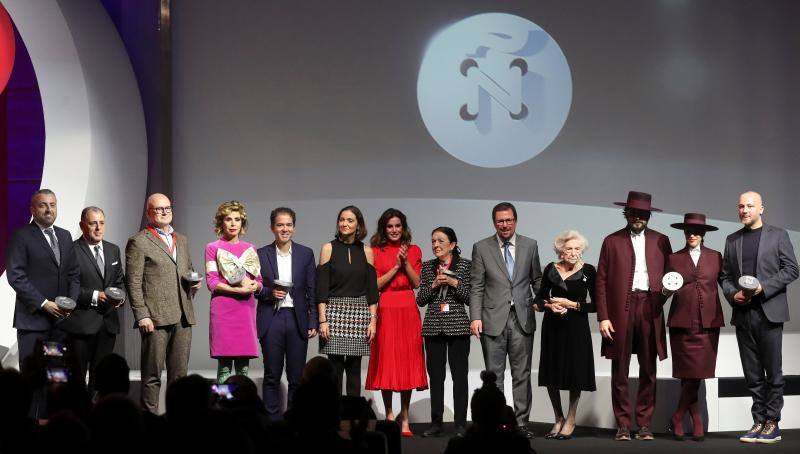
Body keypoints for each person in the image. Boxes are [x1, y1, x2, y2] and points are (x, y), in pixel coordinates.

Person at [720, 191, 798, 443]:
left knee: (773, 372)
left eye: (750, 206)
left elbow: (792, 269)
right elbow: (724, 277)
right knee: (752, 374)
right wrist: (732, 295)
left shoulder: (779, 235)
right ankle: (758, 421)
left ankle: (772, 422)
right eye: (741, 206)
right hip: (743, 314)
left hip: (769, 312)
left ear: (761, 209)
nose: (745, 210)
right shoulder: (732, 240)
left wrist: (764, 287)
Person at [596, 190, 672, 441]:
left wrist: (663, 296)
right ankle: (623, 425)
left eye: (642, 213)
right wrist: (603, 316)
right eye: (633, 212)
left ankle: (645, 425)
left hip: (650, 307)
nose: (638, 217)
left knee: (649, 368)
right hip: (620, 309)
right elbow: (602, 281)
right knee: (620, 368)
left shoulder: (662, 240)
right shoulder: (611, 241)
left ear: (648, 215)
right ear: (626, 213)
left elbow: (672, 277)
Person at [469, 202, 542, 439]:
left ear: (516, 220)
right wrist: (475, 317)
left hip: (522, 318)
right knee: (494, 376)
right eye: (500, 221)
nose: (505, 225)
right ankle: (495, 424)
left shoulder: (530, 245)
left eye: (508, 220)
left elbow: (537, 280)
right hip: (492, 319)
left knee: (522, 374)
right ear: (494, 223)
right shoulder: (481, 247)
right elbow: (476, 286)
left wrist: (544, 300)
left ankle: (521, 424)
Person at [126, 193, 200, 413]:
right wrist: (142, 314)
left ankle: (180, 419)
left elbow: (188, 269)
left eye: (167, 208)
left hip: (182, 315)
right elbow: (133, 282)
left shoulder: (182, 239)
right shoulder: (139, 241)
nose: (165, 212)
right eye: (158, 209)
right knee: (152, 375)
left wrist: (193, 283)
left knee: (180, 376)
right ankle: (149, 421)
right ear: (149, 213)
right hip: (155, 317)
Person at [365, 208, 427, 436]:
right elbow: (376, 285)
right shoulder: (375, 251)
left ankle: (405, 418)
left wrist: (406, 264)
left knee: (407, 362)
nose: (394, 230)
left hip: (408, 309)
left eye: (398, 226)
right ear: (383, 228)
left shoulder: (414, 250)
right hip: (386, 308)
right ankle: (390, 415)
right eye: (390, 226)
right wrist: (395, 266)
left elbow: (417, 282)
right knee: (387, 362)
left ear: (404, 228)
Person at [662, 213, 724, 442]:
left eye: (697, 231)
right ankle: (695, 420)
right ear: (684, 233)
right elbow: (665, 287)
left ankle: (679, 416)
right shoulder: (674, 258)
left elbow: (725, 284)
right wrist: (663, 294)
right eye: (689, 231)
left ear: (704, 234)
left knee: (698, 373)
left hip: (708, 324)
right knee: (689, 374)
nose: (692, 235)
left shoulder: (716, 257)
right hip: (682, 323)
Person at [6, 189, 80, 374]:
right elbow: (16, 276)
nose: (49, 209)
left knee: (56, 377)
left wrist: (71, 303)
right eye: (43, 205)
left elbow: (74, 274)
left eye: (52, 205)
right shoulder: (21, 236)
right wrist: (44, 303)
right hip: (33, 323)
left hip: (60, 324)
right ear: (32, 209)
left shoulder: (65, 236)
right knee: (33, 379)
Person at [256, 207, 317, 420]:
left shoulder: (305, 253)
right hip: (271, 318)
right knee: (272, 375)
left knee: (297, 377)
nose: (285, 229)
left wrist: (313, 321)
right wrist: (269, 293)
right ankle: (271, 423)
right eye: (280, 225)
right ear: (272, 227)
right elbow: (255, 288)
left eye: (289, 225)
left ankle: (294, 421)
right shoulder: (260, 254)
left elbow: (312, 289)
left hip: (297, 319)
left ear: (294, 227)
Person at [55, 206, 125, 391]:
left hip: (108, 323)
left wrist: (120, 298)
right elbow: (66, 287)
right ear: (82, 225)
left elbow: (119, 282)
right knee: (76, 379)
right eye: (93, 223)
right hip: (80, 325)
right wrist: (94, 296)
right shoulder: (70, 250)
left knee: (101, 379)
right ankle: (79, 415)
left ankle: (97, 415)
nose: (98, 228)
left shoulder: (113, 250)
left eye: (101, 223)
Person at [534, 230, 596, 440]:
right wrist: (549, 306)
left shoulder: (589, 271)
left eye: (577, 248)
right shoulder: (551, 269)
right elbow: (539, 299)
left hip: (577, 328)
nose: (573, 252)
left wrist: (573, 305)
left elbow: (596, 305)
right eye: (568, 248)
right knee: (552, 372)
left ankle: (570, 419)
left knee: (575, 372)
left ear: (582, 251)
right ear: (560, 251)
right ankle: (558, 417)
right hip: (553, 327)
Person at [317, 206, 379, 396]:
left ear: (358, 224)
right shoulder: (328, 248)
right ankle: (335, 419)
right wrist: (322, 319)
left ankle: (353, 420)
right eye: (342, 220)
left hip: (360, 313)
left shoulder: (367, 251)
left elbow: (371, 289)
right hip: (333, 312)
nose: (344, 223)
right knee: (334, 370)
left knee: (354, 369)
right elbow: (321, 288)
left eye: (350, 220)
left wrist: (373, 320)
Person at [416, 226, 472, 438]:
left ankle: (460, 425)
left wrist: (453, 282)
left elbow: (470, 297)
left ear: (453, 244)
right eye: (433, 241)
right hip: (433, 328)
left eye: (440, 241)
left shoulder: (465, 265)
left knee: (460, 377)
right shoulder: (428, 266)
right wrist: (432, 285)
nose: (436, 245)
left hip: (458, 327)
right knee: (436, 377)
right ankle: (436, 423)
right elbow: (420, 300)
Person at [205, 201, 263, 383]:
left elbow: (259, 281)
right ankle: (221, 405)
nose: (233, 223)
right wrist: (238, 290)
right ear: (221, 222)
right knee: (223, 368)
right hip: (223, 310)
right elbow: (212, 282)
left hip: (245, 310)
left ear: (242, 223)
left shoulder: (251, 248)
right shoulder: (212, 248)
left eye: (237, 219)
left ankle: (241, 406)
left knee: (243, 368)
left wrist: (255, 287)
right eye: (228, 219)